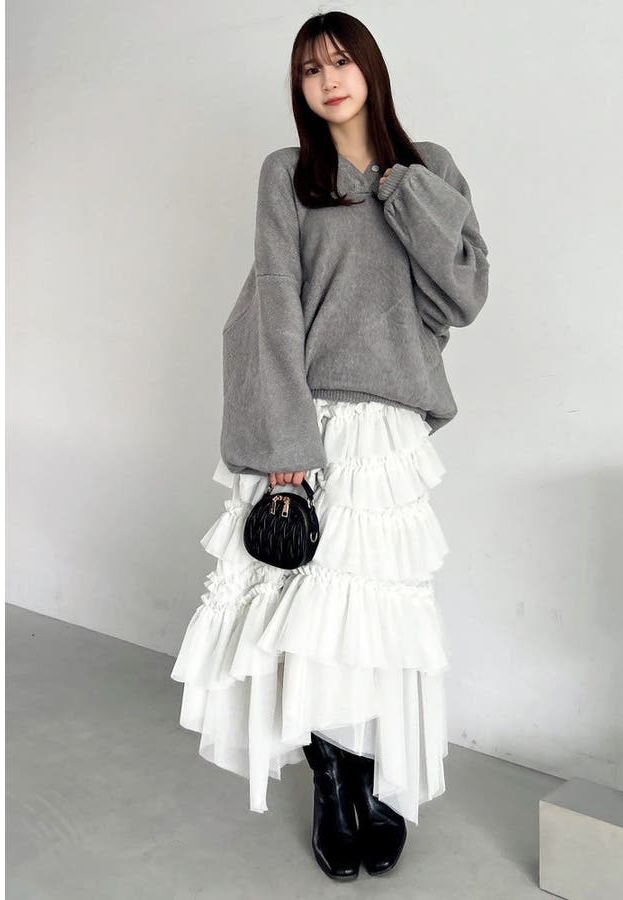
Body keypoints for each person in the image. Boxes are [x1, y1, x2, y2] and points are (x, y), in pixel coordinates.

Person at [170, 10, 490, 881]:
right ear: (299, 87)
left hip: (387, 430)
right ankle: (332, 785)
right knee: (306, 619)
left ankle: (374, 781)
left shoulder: (431, 169)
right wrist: (286, 444)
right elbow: (274, 301)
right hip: (306, 421)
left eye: (341, 61)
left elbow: (462, 293)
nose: (328, 80)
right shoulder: (288, 173)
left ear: (370, 69)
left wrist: (399, 188)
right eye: (310, 69)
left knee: (371, 618)